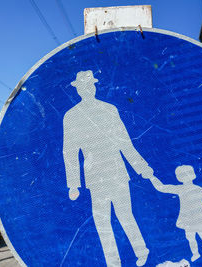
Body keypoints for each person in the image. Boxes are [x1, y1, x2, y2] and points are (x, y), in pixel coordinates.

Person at [63, 70, 154, 266]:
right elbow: (69, 152)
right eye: (84, 86)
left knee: (125, 214)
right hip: (95, 177)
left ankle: (141, 250)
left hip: (117, 171)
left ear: (95, 87)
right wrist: (73, 185)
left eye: (91, 85)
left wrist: (142, 167)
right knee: (102, 221)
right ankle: (113, 262)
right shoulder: (71, 117)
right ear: (78, 90)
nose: (89, 89)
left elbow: (125, 142)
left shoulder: (109, 109)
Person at [148, 165, 202, 262]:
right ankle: (195, 253)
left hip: (199, 216)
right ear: (179, 177)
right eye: (182, 175)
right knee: (190, 237)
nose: (185, 177)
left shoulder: (198, 189)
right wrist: (152, 177)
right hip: (187, 217)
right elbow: (162, 188)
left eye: (187, 174)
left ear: (193, 175)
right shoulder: (180, 189)